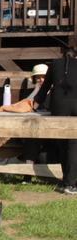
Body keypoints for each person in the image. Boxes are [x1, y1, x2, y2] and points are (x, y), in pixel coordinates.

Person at [34, 48, 77, 194]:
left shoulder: (54, 64)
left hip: (59, 107)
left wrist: (34, 104)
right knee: (73, 145)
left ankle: (68, 181)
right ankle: (71, 183)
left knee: (64, 144)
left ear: (63, 55)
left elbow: (45, 88)